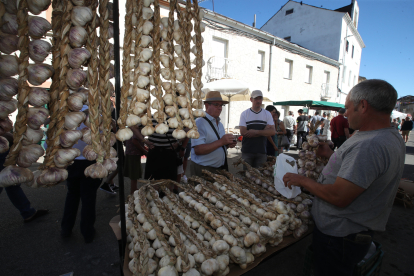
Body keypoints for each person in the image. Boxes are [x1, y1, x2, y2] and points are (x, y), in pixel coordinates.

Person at [283, 79, 405, 276]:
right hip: (351, 232)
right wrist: (332, 156)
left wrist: (303, 180)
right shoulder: (390, 136)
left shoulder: (370, 145)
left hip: (340, 235)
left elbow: (340, 197)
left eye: (347, 108)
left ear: (363, 106)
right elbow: (362, 172)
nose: (345, 113)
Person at [61, 105, 103, 243]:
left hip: (71, 162)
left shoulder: (66, 118)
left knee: (72, 195)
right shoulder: (95, 117)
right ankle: (87, 233)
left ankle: (66, 229)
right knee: (88, 198)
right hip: (89, 163)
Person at [0, 132, 49, 223]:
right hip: (2, 147)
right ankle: (27, 212)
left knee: (11, 183)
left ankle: (27, 212)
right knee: (10, 182)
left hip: (4, 146)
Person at [190, 91, 236, 176]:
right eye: (216, 105)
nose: (220, 108)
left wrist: (227, 145)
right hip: (203, 169)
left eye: (221, 105)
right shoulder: (199, 123)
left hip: (219, 169)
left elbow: (217, 144)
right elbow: (198, 150)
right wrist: (222, 142)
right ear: (207, 105)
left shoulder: (220, 124)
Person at [239, 90, 275, 168]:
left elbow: (272, 132)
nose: (258, 101)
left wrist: (256, 132)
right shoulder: (245, 114)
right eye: (256, 99)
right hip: (247, 151)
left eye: (260, 98)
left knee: (260, 177)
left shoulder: (267, 114)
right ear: (251, 99)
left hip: (261, 151)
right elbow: (243, 132)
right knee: (247, 177)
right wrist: (264, 131)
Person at [124, 125, 149, 194]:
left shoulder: (130, 127)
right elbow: (134, 141)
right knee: (134, 174)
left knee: (134, 173)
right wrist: (144, 151)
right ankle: (133, 191)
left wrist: (143, 147)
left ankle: (134, 189)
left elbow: (125, 142)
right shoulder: (137, 128)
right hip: (133, 154)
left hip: (130, 152)